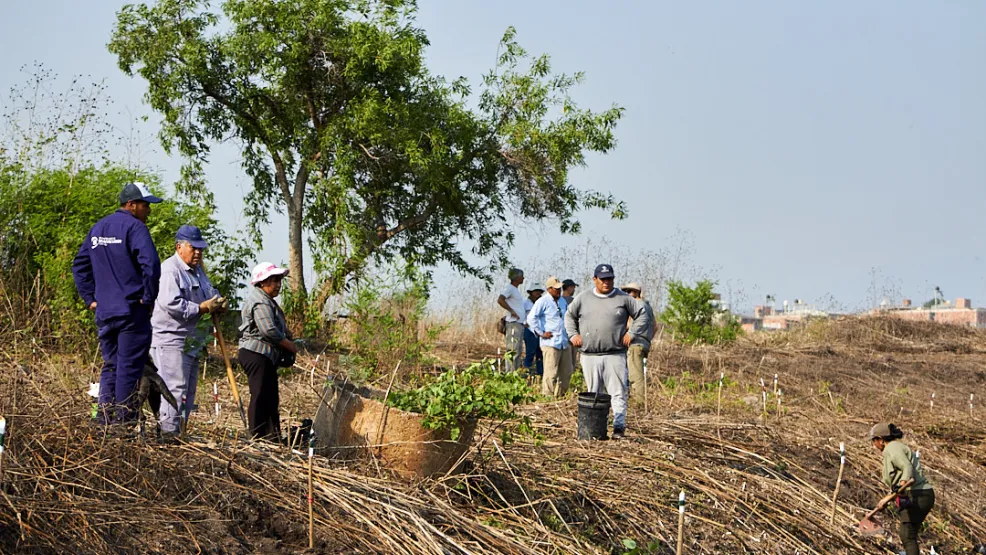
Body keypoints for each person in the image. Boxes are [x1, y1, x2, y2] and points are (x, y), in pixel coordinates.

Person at [72, 182, 162, 426]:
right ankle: (123, 425)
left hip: (105, 311)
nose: (148, 211)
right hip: (131, 310)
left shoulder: (98, 228)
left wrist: (90, 298)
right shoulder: (135, 228)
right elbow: (151, 265)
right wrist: (148, 297)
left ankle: (103, 421)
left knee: (111, 365)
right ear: (131, 205)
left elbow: (79, 265)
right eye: (145, 205)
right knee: (129, 368)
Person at [149, 225, 225, 442]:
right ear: (179, 247)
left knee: (188, 392)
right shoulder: (169, 270)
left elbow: (211, 294)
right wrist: (201, 308)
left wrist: (219, 303)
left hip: (192, 341)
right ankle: (168, 433)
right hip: (171, 339)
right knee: (173, 387)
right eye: (194, 248)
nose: (198, 253)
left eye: (201, 248)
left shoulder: (199, 272)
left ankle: (180, 431)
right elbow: (170, 304)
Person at [565, 264, 651, 439]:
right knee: (594, 394)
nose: (606, 282)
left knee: (618, 391)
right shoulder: (583, 298)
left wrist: (632, 333)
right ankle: (596, 428)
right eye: (603, 279)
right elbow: (569, 316)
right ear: (594, 279)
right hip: (590, 355)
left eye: (610, 278)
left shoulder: (623, 298)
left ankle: (618, 427)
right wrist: (573, 334)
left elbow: (642, 315)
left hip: (615, 354)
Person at [238, 262, 297, 440]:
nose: (278, 284)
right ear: (262, 282)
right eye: (273, 280)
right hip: (256, 354)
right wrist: (288, 344)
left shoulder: (267, 300)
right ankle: (257, 435)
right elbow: (268, 330)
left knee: (270, 396)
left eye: (279, 280)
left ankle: (272, 437)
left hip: (265, 355)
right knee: (260, 394)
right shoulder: (259, 300)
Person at [869, 423, 935, 555]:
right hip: (921, 494)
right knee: (909, 534)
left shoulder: (892, 448)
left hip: (917, 494)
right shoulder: (896, 447)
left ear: (881, 440)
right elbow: (899, 482)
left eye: (874, 441)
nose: (873, 445)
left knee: (907, 534)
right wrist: (888, 498)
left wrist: (901, 484)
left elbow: (906, 467)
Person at [527, 277, 573, 397]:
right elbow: (531, 318)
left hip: (563, 341)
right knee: (551, 372)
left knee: (567, 372)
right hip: (550, 343)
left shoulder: (562, 301)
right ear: (549, 289)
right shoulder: (542, 301)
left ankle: (561, 395)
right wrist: (540, 332)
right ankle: (548, 397)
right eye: (556, 288)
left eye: (560, 288)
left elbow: (567, 318)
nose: (559, 291)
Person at [621, 282, 656, 405]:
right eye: (626, 292)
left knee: (635, 376)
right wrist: (647, 339)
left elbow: (630, 325)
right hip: (644, 344)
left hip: (635, 344)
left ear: (636, 292)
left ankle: (639, 404)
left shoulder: (636, 305)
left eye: (630, 291)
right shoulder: (648, 306)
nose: (627, 294)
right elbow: (655, 327)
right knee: (637, 372)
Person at [496, 268, 526, 372]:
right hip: (513, 324)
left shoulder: (515, 290)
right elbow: (500, 299)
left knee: (518, 350)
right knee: (513, 350)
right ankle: (510, 373)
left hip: (519, 323)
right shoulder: (510, 288)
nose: (523, 278)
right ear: (517, 277)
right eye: (522, 276)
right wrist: (511, 311)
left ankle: (515, 372)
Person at [523, 287, 545, 377]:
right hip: (529, 330)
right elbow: (521, 315)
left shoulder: (541, 303)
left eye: (539, 292)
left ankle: (540, 373)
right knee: (530, 352)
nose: (538, 294)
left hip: (539, 330)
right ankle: (527, 373)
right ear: (531, 293)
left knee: (540, 353)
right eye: (536, 292)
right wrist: (525, 323)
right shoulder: (525, 303)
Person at [562, 279, 579, 370]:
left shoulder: (558, 300)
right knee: (571, 360)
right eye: (573, 288)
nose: (574, 290)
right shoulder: (573, 301)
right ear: (569, 288)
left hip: (562, 334)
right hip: (572, 334)